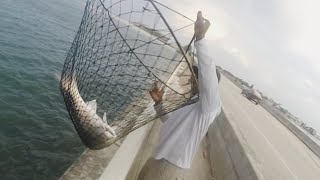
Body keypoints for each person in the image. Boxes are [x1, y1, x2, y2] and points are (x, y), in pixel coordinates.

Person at [137, 11, 221, 180]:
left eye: (195, 76)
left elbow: (208, 72)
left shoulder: (210, 106)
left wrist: (200, 39)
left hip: (170, 168)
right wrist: (159, 104)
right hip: (159, 157)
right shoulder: (193, 103)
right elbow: (171, 122)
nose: (191, 78)